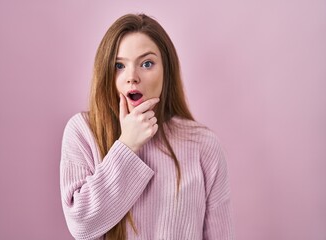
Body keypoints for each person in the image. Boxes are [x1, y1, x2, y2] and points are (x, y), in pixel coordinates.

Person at [60, 13, 234, 240]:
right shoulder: (82, 132)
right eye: (119, 65)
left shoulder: (203, 144)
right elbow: (81, 224)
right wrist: (127, 145)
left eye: (147, 63)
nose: (132, 77)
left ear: (166, 71)